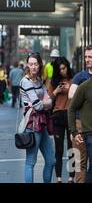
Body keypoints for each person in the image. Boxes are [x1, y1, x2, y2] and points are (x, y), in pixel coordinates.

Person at [19, 52, 55, 183]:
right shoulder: (25, 82)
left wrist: (43, 103)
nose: (33, 67)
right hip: (32, 124)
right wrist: (43, 103)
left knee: (51, 161)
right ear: (28, 65)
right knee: (31, 162)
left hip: (43, 123)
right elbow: (39, 105)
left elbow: (49, 102)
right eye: (31, 64)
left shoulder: (39, 81)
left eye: (36, 64)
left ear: (40, 65)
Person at [48, 57, 75, 183]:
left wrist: (70, 88)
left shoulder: (74, 78)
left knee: (72, 147)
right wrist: (56, 91)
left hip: (71, 115)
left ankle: (72, 176)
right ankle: (58, 177)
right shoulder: (53, 81)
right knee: (59, 149)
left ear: (67, 66)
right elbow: (48, 101)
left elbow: (78, 95)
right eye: (60, 69)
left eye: (64, 68)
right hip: (58, 115)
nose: (62, 71)